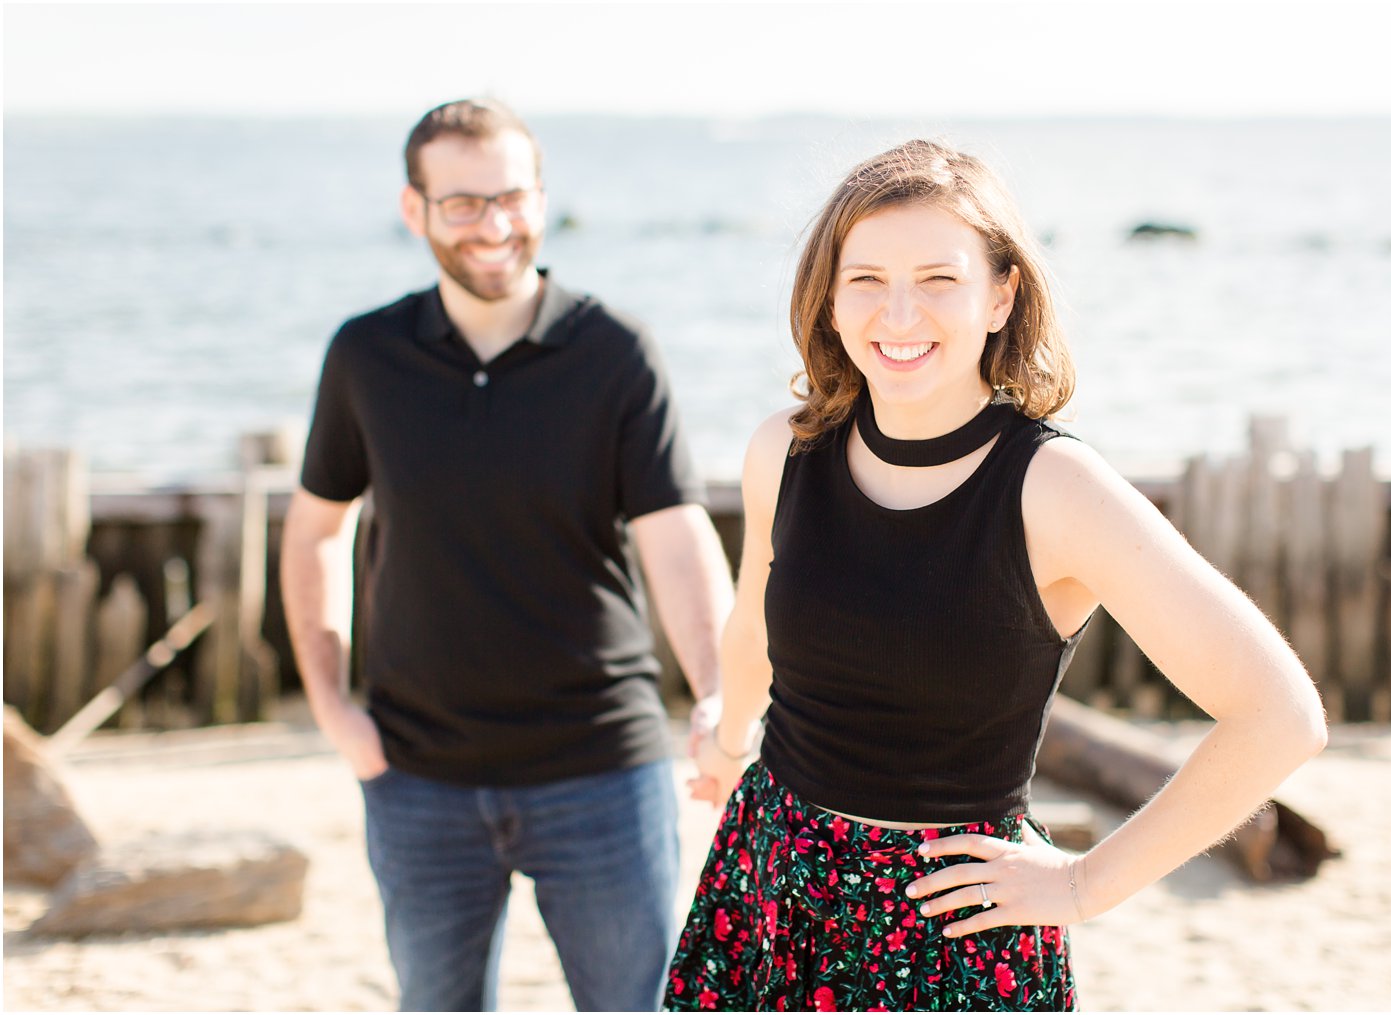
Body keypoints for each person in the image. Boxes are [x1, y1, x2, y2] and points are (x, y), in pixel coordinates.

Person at [664, 139, 1328, 1012]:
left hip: (954, 935)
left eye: (939, 278)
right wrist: (724, 741)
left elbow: (1281, 715)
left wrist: (1086, 885)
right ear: (828, 298)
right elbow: (755, 625)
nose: (898, 314)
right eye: (865, 279)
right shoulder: (785, 450)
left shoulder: (1055, 487)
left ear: (1001, 294)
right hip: (768, 887)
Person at [280, 98, 734, 1013]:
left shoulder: (615, 351)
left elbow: (676, 537)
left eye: (512, 198)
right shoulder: (367, 355)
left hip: (604, 768)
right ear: (415, 210)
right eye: (463, 204)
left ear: (540, 197)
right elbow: (315, 532)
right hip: (417, 776)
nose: (494, 225)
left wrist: (719, 691)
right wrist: (333, 710)